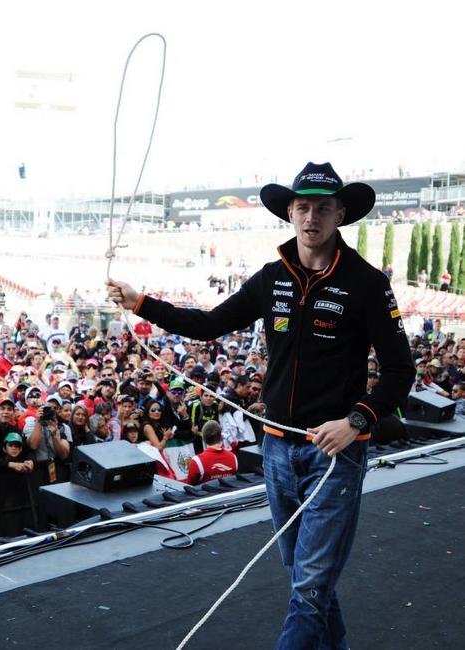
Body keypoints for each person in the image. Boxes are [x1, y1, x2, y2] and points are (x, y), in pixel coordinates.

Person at [107, 162, 414, 649]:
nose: (312, 217)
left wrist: (356, 421)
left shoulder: (367, 283)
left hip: (334, 454)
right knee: (307, 580)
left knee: (309, 588)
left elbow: (401, 371)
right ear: (290, 213)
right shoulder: (271, 278)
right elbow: (208, 324)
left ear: (341, 215)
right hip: (276, 450)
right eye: (303, 207)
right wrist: (141, 302)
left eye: (323, 208)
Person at [184, 421, 238, 485]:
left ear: (204, 438)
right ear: (221, 436)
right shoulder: (233, 457)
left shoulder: (197, 461)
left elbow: (190, 487)